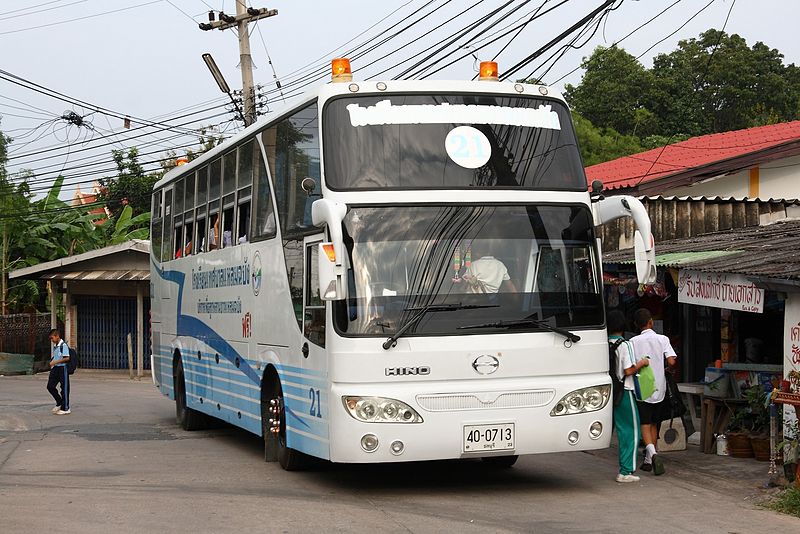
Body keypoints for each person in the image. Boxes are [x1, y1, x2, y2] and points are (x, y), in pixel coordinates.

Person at [630, 308, 677, 475]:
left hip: (642, 387)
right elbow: (671, 361)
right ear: (651, 322)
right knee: (654, 423)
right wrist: (663, 367)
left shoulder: (633, 342)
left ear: (636, 325)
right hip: (659, 388)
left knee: (645, 423)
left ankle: (652, 455)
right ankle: (649, 459)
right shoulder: (663, 339)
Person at [608, 310, 649, 483]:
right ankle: (626, 471)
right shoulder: (623, 345)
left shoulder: (606, 344)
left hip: (611, 390)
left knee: (622, 429)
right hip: (625, 390)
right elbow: (628, 370)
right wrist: (642, 363)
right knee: (631, 431)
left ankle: (625, 469)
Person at [46, 328, 71, 415]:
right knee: (50, 386)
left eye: (52, 338)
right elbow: (56, 356)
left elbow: (67, 358)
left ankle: (65, 408)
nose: (51, 340)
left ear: (57, 336)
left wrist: (55, 362)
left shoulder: (63, 345)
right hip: (55, 368)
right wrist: (52, 362)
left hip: (62, 369)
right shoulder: (56, 345)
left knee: (64, 389)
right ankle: (59, 402)